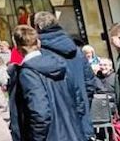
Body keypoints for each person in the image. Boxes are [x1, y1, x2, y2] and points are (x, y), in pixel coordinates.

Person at [8, 24, 84, 141]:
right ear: (38, 43)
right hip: (73, 132)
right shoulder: (61, 65)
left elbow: (40, 112)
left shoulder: (28, 73)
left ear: (17, 48)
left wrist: (36, 139)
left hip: (50, 135)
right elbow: (79, 101)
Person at [33, 10, 95, 140]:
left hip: (59, 126)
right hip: (81, 121)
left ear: (37, 27)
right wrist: (83, 104)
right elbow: (90, 83)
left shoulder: (41, 54)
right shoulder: (77, 52)